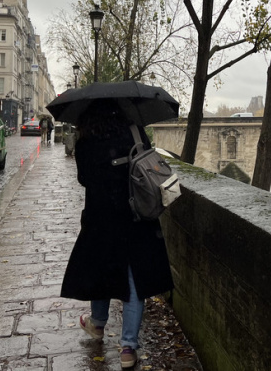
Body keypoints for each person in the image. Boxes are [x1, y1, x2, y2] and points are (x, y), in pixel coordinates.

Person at [60, 103, 173, 369]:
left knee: (101, 272)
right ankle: (128, 349)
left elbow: (84, 180)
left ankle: (97, 325)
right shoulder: (135, 132)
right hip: (134, 217)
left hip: (101, 218)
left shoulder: (86, 141)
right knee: (134, 282)